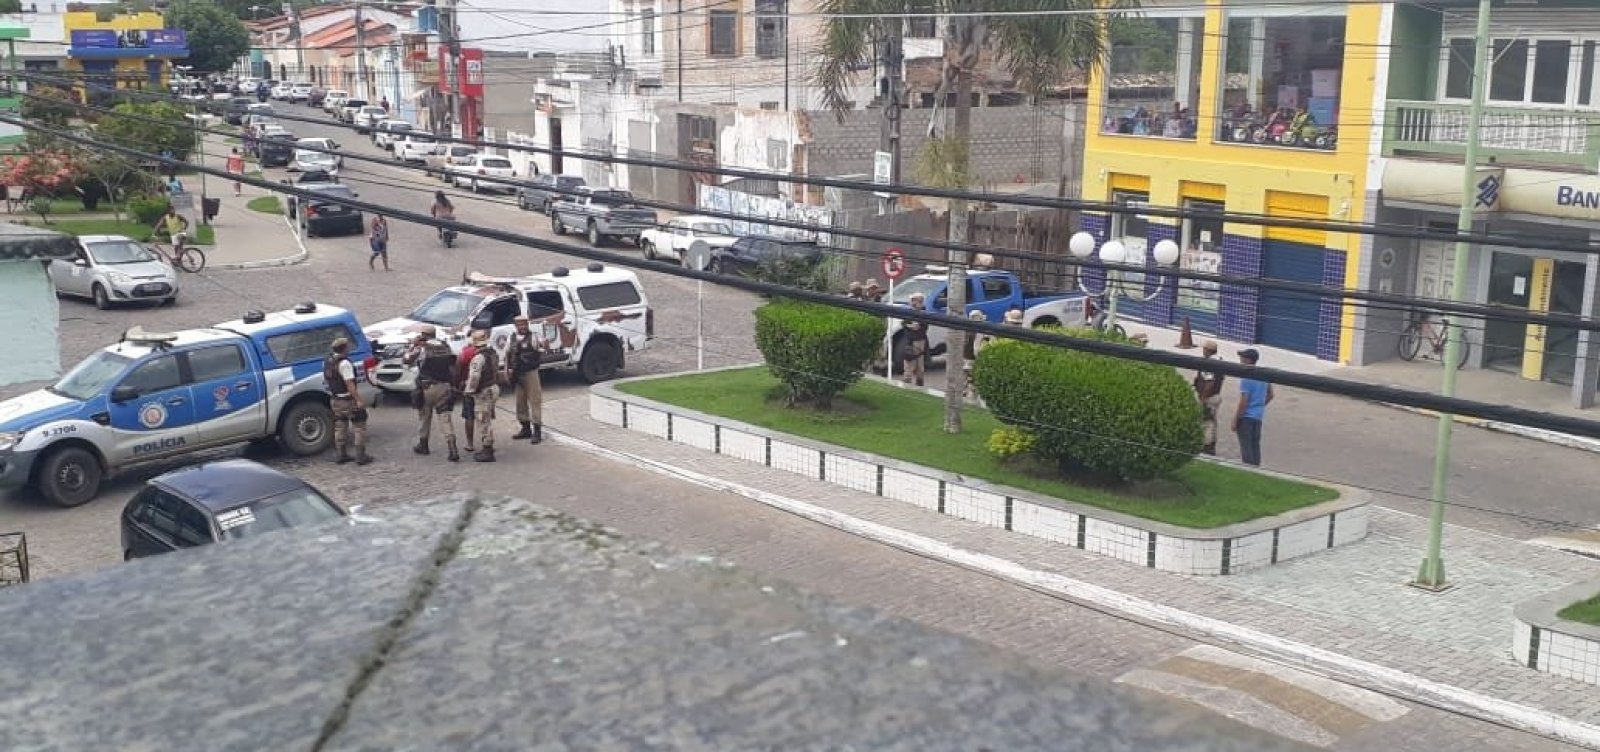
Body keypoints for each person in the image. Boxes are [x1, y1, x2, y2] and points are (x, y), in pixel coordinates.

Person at [404, 325, 460, 461]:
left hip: (427, 387)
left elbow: (406, 360)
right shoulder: (445, 346)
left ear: (423, 335)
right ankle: (452, 448)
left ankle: (423, 445)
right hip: (444, 386)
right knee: (445, 419)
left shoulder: (422, 349)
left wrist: (412, 346)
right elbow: (454, 364)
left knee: (424, 417)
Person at [324, 338, 372, 465]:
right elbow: (350, 384)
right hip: (347, 400)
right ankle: (361, 456)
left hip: (335, 399)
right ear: (344, 348)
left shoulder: (329, 361)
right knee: (359, 426)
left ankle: (341, 454)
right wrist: (359, 400)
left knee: (340, 426)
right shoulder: (344, 364)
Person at [505, 314, 549, 444]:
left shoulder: (534, 337)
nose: (523, 327)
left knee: (535, 401)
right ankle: (525, 428)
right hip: (517, 374)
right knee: (520, 402)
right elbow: (507, 355)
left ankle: (537, 431)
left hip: (531, 373)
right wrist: (507, 371)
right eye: (520, 325)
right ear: (516, 326)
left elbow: (544, 346)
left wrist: (545, 344)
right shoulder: (511, 338)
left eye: (525, 324)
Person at [462, 329, 503, 462]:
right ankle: (488, 446)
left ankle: (487, 450)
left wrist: (469, 391)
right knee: (487, 419)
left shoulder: (478, 358)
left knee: (483, 420)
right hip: (493, 387)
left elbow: (474, 377)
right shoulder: (493, 353)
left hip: (484, 392)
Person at [1232, 348, 1274, 467]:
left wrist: (1235, 419)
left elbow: (1243, 402)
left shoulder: (1246, 378)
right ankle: (1257, 469)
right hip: (1258, 416)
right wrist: (1259, 405)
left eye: (1242, 358)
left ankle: (1248, 470)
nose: (1240, 360)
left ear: (1247, 360)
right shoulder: (1263, 375)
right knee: (1255, 445)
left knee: (1246, 447)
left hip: (1246, 417)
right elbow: (1271, 394)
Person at [1192, 340, 1224, 455]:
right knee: (1212, 421)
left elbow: (1209, 383)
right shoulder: (1219, 361)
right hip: (1216, 396)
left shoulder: (1209, 364)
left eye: (1204, 349)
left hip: (1209, 398)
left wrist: (1202, 399)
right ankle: (1211, 445)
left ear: (1208, 350)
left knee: (1206, 422)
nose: (1203, 351)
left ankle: (1206, 447)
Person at [456, 332, 480, 454]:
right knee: (485, 417)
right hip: (485, 388)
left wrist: (459, 383)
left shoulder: (465, 353)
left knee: (469, 416)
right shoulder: (489, 352)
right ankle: (487, 441)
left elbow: (458, 370)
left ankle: (470, 443)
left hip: (469, 387)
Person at [901, 292, 929, 387]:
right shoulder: (908, 313)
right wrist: (911, 327)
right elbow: (905, 326)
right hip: (911, 344)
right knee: (909, 367)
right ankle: (906, 386)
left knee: (920, 369)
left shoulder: (924, 314)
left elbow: (924, 328)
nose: (918, 303)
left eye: (920, 301)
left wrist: (917, 327)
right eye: (916, 300)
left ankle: (920, 385)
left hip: (921, 343)